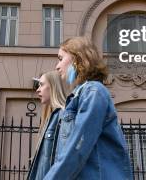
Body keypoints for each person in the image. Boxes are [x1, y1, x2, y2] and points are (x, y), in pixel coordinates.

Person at [43, 36, 132, 179]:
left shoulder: (93, 92)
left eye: (61, 58)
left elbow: (77, 146)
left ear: (77, 58)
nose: (57, 66)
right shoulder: (80, 94)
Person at [27, 70, 70, 180]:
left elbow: (64, 158)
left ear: (53, 86)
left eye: (41, 85)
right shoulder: (52, 117)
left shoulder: (64, 116)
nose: (37, 90)